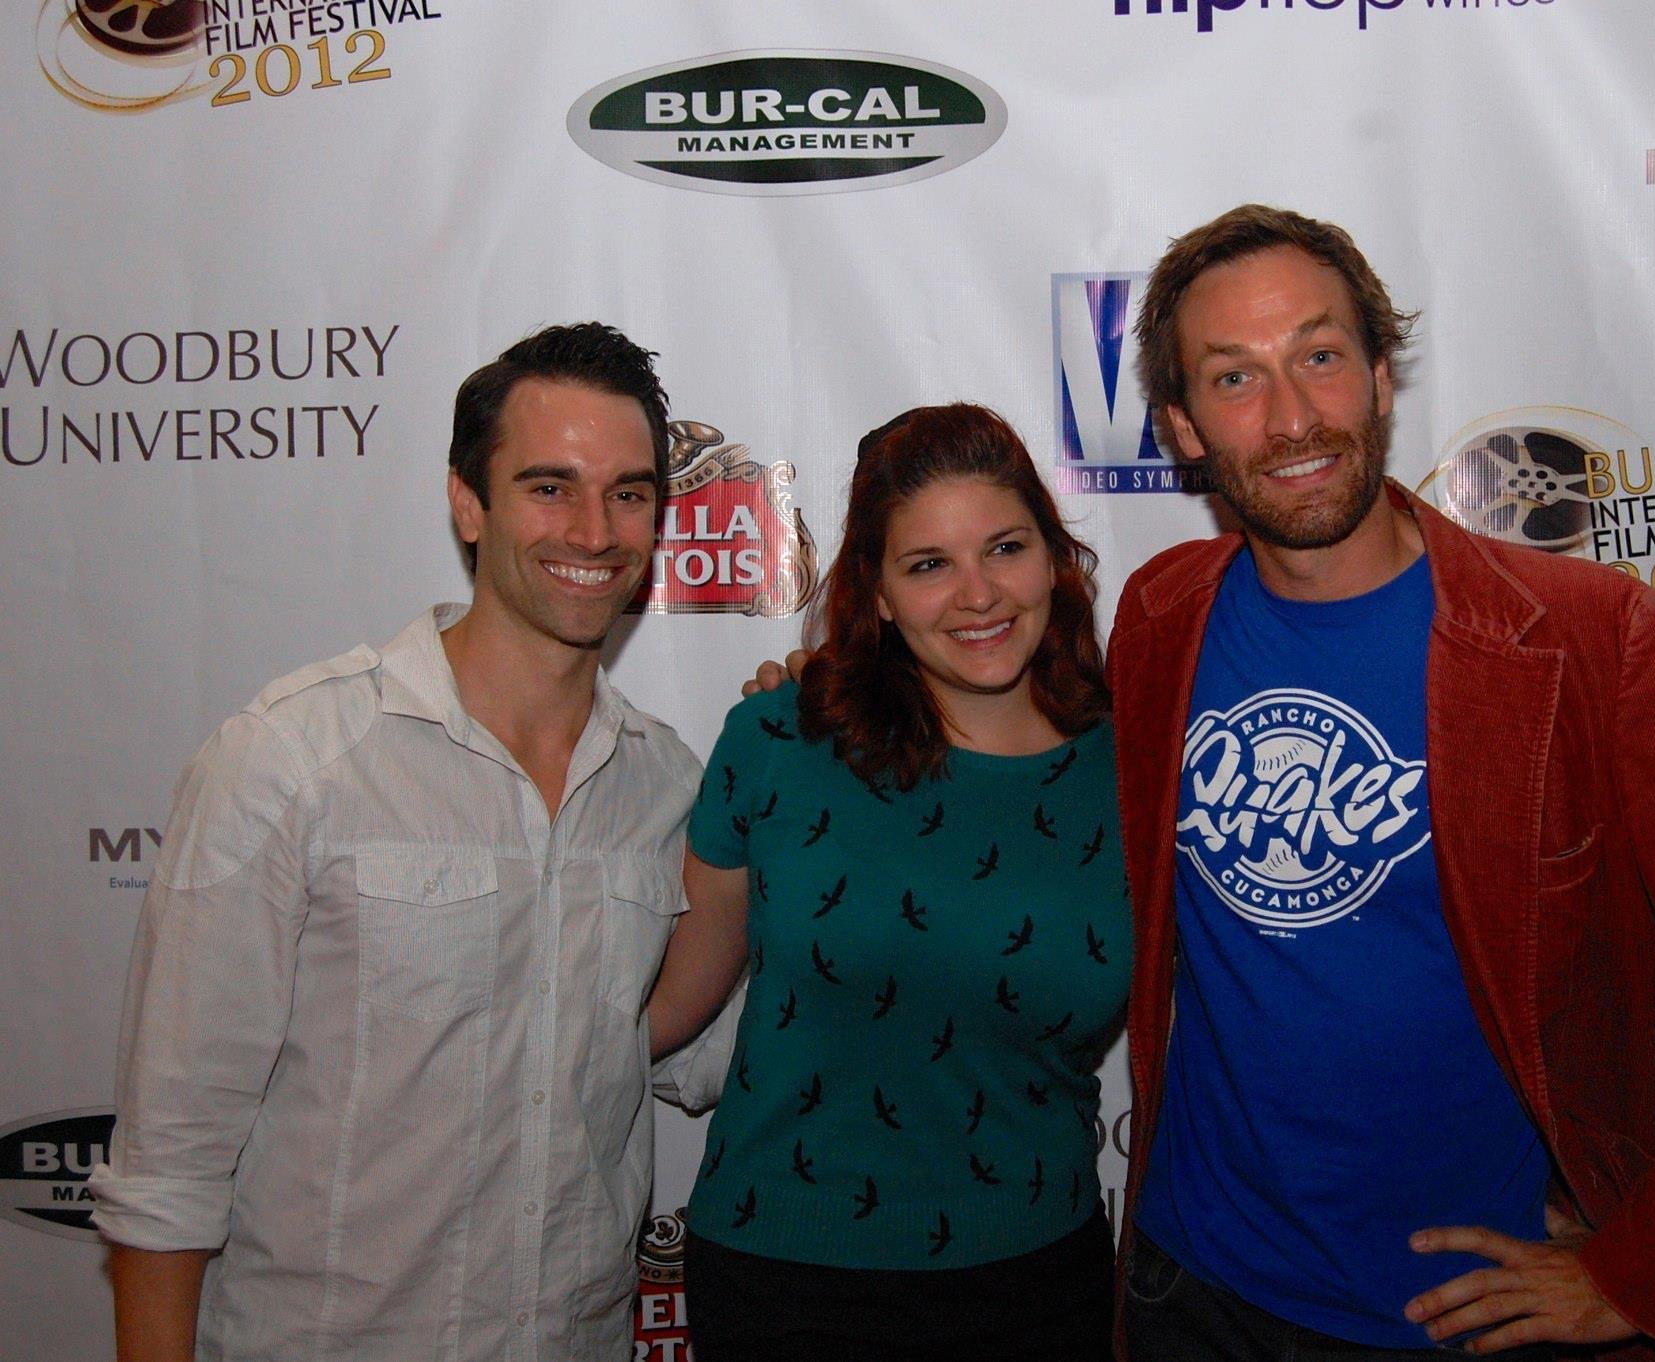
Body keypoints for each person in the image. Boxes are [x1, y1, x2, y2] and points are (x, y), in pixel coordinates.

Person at [1106, 205, 1655, 1361]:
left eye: (1318, 356)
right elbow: (1009, 717)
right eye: (1233, 378)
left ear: (1379, 377)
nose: (1293, 417)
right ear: (1183, 427)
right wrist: (836, 685)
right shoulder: (1161, 614)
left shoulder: (1585, 641)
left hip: (1479, 1320)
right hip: (1196, 1292)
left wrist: (1648, 1263)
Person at [89, 323, 701, 1362]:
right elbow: (167, 1167)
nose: (594, 531)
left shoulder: (668, 787)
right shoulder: (291, 761)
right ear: (468, 502)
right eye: (548, 486)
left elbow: (725, 1042)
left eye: (629, 493)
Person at [646, 403, 1131, 1361]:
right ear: (874, 593)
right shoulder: (778, 742)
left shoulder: (1135, 770)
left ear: (1055, 560)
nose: (978, 595)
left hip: (1039, 1278)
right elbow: (663, 1009)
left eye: (1006, 548)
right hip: (785, 1277)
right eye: (928, 565)